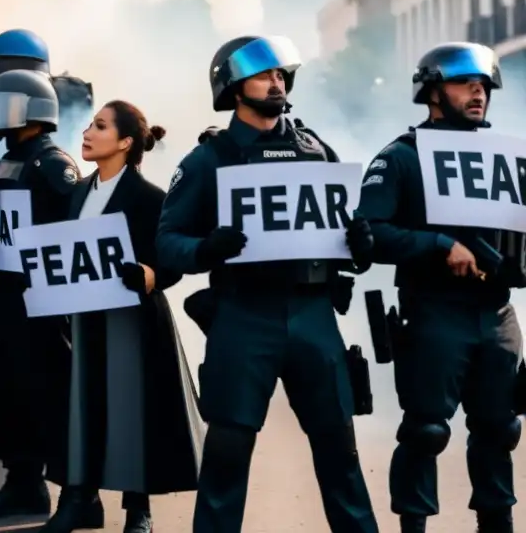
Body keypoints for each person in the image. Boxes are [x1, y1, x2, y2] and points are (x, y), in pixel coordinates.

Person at [156, 35, 379, 533]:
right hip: (243, 314)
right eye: (263, 75)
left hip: (314, 313)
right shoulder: (209, 159)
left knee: (339, 449)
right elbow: (166, 242)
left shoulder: (315, 150)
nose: (276, 82)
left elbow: (350, 225)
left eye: (281, 74)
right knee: (228, 453)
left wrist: (362, 242)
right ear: (233, 88)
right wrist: (205, 249)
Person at [356, 42, 523, 533]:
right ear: (431, 91)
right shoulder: (402, 157)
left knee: (500, 429)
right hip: (434, 312)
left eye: (483, 85)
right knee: (426, 431)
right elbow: (367, 233)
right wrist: (437, 243)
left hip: (497, 313)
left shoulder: (509, 158)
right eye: (463, 83)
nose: (477, 92)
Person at [42, 100, 202, 533]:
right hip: (83, 319)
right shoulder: (76, 193)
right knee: (82, 407)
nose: (88, 133)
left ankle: (139, 508)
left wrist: (152, 275)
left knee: (135, 410)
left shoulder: (150, 198)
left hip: (134, 320)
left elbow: (171, 255)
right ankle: (78, 500)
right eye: (90, 126)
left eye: (100, 126)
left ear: (126, 142)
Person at [0, 69, 79, 519]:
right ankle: (21, 481)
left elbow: (74, 226)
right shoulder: (9, 159)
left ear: (34, 109)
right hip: (9, 295)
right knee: (6, 388)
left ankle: (73, 490)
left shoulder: (53, 164)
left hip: (44, 299)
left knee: (47, 392)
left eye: (8, 102)